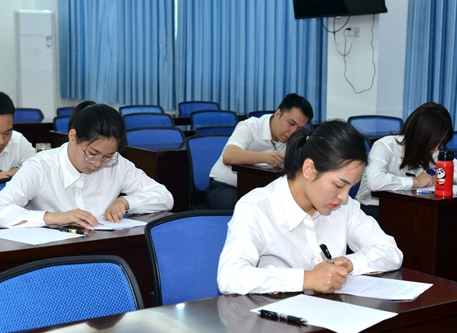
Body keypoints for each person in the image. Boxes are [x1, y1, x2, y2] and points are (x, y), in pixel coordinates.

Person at [217, 119, 403, 295]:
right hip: (275, 313)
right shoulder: (257, 208)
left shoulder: (344, 206)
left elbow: (391, 252)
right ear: (309, 169)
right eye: (339, 185)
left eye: (351, 187)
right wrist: (307, 279)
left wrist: (348, 264)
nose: (344, 197)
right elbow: (230, 276)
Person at [0, 101, 173, 228]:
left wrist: (126, 201)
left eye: (108, 156)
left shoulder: (117, 164)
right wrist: (55, 218)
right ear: (73, 137)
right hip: (52, 254)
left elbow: (165, 197)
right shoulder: (41, 167)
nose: (98, 163)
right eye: (92, 154)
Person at [356, 102, 457, 218]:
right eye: (435, 142)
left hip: (409, 208)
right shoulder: (384, 146)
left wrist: (438, 178)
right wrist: (415, 182)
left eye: (440, 143)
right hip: (374, 210)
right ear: (421, 136)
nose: (437, 148)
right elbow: (375, 182)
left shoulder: (429, 152)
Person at [206, 93, 314, 210]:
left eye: (299, 129)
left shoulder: (296, 139)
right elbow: (229, 156)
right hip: (226, 186)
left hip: (262, 192)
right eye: (291, 123)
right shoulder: (250, 127)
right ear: (278, 114)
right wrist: (265, 157)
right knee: (241, 210)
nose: (293, 131)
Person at [0, 92, 35, 179]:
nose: (2, 141)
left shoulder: (17, 141)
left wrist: (20, 170)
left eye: (7, 133)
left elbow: (38, 168)